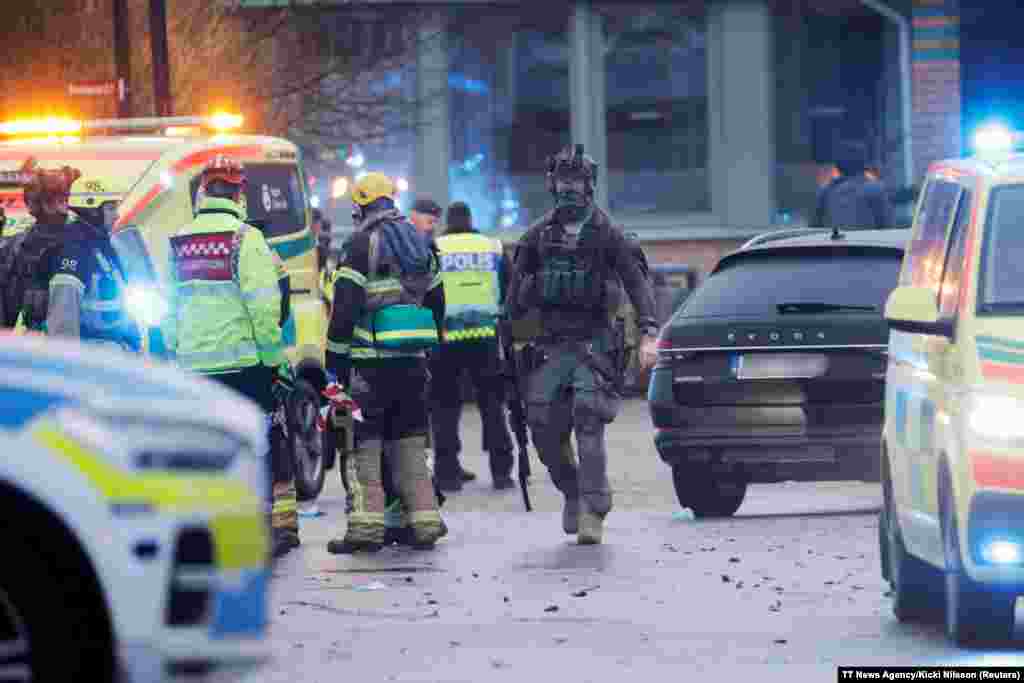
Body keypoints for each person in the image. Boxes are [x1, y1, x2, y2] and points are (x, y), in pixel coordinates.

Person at [505, 144, 659, 545]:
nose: (569, 189)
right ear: (551, 184)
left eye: (577, 182)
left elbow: (638, 285)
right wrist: (505, 330)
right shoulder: (536, 237)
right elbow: (511, 300)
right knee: (543, 428)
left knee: (588, 421)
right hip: (550, 345)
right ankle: (571, 491)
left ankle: (594, 506)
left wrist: (649, 332)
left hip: (594, 343)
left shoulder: (609, 234)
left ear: (590, 186)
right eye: (563, 181)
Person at [162, 155, 300, 558]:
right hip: (244, 366)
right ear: (240, 194)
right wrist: (275, 360)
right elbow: (262, 307)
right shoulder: (246, 240)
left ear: (202, 193)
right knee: (262, 443)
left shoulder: (181, 241)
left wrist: (174, 354)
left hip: (193, 367)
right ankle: (263, 529)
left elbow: (169, 309)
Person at [324, 171, 446, 553]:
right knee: (410, 443)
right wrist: (426, 347)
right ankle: (424, 523)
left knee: (363, 446)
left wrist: (334, 366)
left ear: (361, 206)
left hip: (368, 366)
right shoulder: (420, 243)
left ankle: (365, 530)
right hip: (412, 362)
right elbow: (438, 304)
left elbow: (343, 311)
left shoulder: (360, 245)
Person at [0, 160, 140, 351]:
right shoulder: (72, 248)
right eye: (63, 198)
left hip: (28, 354)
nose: (69, 205)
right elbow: (63, 327)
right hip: (51, 356)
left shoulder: (95, 244)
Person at [430, 201, 515, 492]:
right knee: (492, 404)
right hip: (485, 335)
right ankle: (502, 470)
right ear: (470, 220)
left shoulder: (435, 248)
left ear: (447, 222)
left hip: (445, 338)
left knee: (444, 406)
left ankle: (447, 472)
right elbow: (510, 288)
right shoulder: (492, 247)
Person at [811, 140, 894, 231]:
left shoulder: (825, 191)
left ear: (838, 166)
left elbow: (814, 228)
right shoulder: (876, 189)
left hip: (832, 244)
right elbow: (887, 227)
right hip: (868, 244)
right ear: (864, 164)